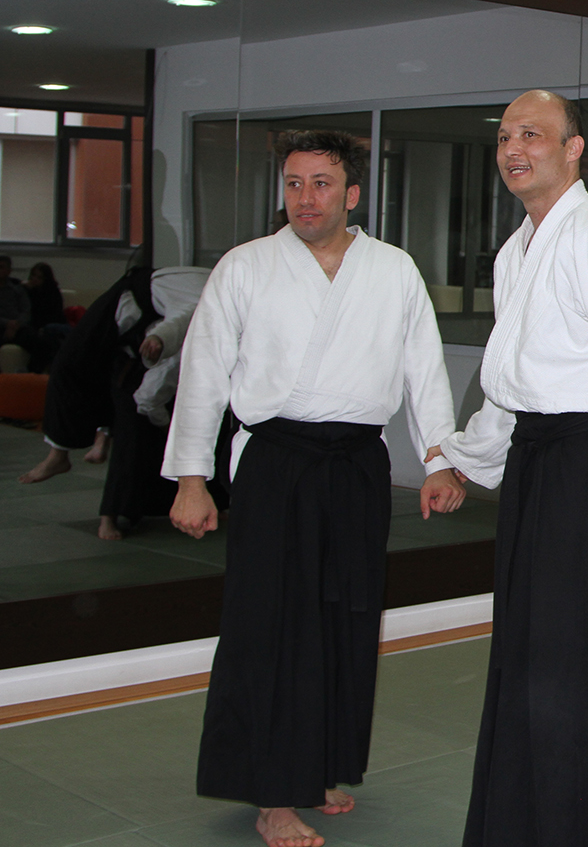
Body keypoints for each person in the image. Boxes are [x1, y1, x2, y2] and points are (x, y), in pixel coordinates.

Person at [165, 130, 467, 847]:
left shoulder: (392, 269)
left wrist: (439, 458)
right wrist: (191, 477)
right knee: (270, 626)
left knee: (346, 620)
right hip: (276, 462)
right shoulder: (246, 266)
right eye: (294, 184)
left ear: (352, 193)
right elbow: (204, 371)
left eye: (321, 183)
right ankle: (274, 793)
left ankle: (319, 766)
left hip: (356, 466)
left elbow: (423, 368)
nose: (305, 198)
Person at [432, 90, 588, 847]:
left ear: (574, 149)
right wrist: (465, 459)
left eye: (533, 134)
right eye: (505, 136)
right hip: (537, 466)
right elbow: (511, 385)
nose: (514, 148)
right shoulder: (517, 250)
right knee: (532, 656)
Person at [18, 264, 212, 540]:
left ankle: (103, 448)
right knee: (69, 366)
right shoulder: (212, 309)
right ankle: (58, 455)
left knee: (132, 418)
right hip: (131, 300)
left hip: (144, 331)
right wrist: (158, 340)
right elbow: (182, 322)